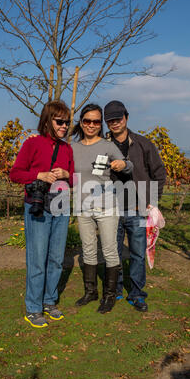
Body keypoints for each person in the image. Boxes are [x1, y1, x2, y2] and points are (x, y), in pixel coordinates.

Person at [10, 100, 74, 328]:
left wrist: (67, 173)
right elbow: (15, 173)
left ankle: (49, 301)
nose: (65, 126)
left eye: (67, 122)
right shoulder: (32, 144)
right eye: (60, 121)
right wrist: (39, 175)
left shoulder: (67, 148)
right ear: (48, 121)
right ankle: (34, 307)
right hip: (37, 205)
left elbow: (75, 179)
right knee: (37, 258)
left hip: (62, 204)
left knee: (56, 258)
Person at [104, 100, 166, 312]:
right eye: (110, 120)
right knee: (115, 251)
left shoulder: (143, 144)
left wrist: (152, 201)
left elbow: (159, 174)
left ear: (126, 117)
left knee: (138, 253)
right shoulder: (103, 146)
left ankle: (137, 294)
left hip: (138, 209)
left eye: (118, 118)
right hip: (112, 209)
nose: (114, 123)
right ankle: (117, 288)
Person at [71, 103, 133, 314]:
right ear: (81, 122)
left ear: (100, 124)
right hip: (83, 207)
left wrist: (122, 165)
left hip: (107, 207)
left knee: (109, 250)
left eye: (96, 121)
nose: (91, 125)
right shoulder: (73, 147)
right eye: (87, 121)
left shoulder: (107, 146)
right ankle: (91, 292)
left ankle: (109, 295)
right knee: (88, 249)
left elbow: (128, 164)